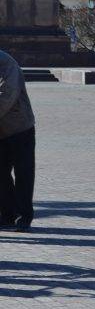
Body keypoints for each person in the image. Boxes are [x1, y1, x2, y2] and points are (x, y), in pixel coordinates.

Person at [0, 50, 35, 232]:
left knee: (23, 174)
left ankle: (24, 216)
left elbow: (8, 94)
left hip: (19, 128)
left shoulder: (6, 63)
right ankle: (7, 215)